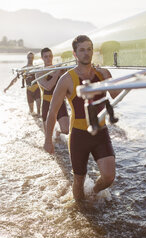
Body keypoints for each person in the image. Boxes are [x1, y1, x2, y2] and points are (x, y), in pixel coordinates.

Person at [44, 35, 121, 201]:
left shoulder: (103, 73)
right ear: (75, 54)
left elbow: (115, 94)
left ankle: (93, 191)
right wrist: (48, 140)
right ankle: (80, 211)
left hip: (101, 132)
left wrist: (106, 77)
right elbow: (52, 111)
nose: (86, 53)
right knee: (78, 179)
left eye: (89, 49)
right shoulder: (66, 79)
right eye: (82, 50)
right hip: (79, 135)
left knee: (109, 177)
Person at [36, 47, 69, 134]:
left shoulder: (59, 69)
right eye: (46, 57)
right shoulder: (39, 72)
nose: (48, 58)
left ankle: (58, 131)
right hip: (47, 103)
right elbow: (48, 86)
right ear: (42, 58)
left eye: (50, 56)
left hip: (59, 101)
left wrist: (63, 71)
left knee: (66, 130)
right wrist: (57, 73)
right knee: (48, 135)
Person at [4, 52, 41, 117]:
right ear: (27, 58)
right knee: (32, 112)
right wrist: (7, 87)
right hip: (29, 90)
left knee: (39, 111)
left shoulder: (36, 68)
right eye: (29, 57)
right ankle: (31, 111)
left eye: (32, 57)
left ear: (33, 58)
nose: (30, 59)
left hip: (37, 89)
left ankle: (39, 116)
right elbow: (15, 79)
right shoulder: (23, 69)